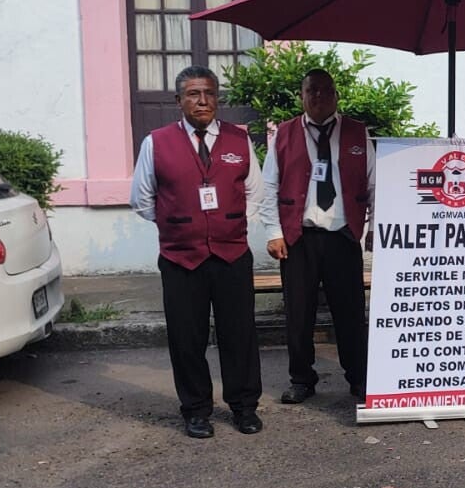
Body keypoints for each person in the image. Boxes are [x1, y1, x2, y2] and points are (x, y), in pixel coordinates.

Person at [130, 66, 264, 439]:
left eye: (209, 93)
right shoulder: (156, 143)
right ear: (179, 101)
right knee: (186, 339)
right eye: (193, 94)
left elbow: (255, 192)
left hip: (232, 255)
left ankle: (244, 407)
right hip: (180, 259)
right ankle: (196, 410)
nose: (202, 101)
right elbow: (141, 198)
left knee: (239, 335)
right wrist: (177, 224)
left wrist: (230, 223)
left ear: (216, 98)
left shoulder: (239, 140)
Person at [259, 69, 374, 405]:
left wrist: (375, 231)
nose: (319, 96)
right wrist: (274, 233)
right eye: (312, 90)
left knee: (350, 313)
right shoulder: (284, 133)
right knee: (298, 314)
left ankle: (359, 378)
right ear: (302, 96)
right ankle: (301, 379)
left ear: (336, 95)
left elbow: (374, 184)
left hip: (343, 237)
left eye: (326, 90)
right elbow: (269, 186)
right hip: (299, 238)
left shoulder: (357, 132)